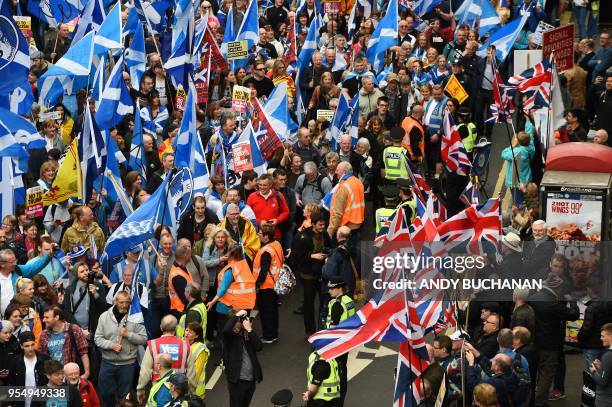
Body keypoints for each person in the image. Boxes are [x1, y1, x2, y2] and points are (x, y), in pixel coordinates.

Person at [94, 291, 147, 407]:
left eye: (127, 302)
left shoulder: (135, 317)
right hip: (107, 362)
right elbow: (97, 339)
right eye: (121, 302)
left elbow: (143, 339)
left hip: (127, 363)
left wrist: (128, 334)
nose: (124, 305)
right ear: (115, 302)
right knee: (105, 393)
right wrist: (111, 345)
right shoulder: (104, 317)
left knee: (124, 395)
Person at [137, 315, 191, 401]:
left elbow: (145, 371)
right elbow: (191, 372)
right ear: (176, 328)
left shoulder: (153, 345)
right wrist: (192, 390)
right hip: (179, 390)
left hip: (159, 389)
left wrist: (140, 389)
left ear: (161, 328)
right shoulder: (185, 345)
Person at [222, 309, 263, 407]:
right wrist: (237, 315)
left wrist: (250, 330)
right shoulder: (229, 337)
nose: (240, 323)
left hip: (250, 380)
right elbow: (226, 330)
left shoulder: (246, 333)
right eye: (238, 321)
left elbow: (259, 346)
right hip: (237, 381)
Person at [253, 224, 285, 343]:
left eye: (260, 233)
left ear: (266, 236)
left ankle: (269, 336)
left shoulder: (266, 251)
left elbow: (263, 270)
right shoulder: (276, 244)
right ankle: (273, 333)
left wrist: (257, 284)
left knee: (266, 311)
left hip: (266, 286)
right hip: (275, 283)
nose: (258, 235)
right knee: (273, 310)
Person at [38, 306, 90, 379]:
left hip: (72, 375)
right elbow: (42, 358)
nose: (43, 320)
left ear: (56, 317)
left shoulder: (74, 329)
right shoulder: (44, 335)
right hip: (53, 377)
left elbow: (83, 352)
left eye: (47, 317)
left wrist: (87, 373)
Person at [8, 331, 51, 406]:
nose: (30, 348)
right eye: (27, 346)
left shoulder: (45, 359)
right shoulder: (15, 362)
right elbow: (11, 383)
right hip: (21, 402)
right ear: (21, 346)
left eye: (32, 345)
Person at [247, 174, 290, 240]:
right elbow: (247, 216)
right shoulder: (252, 197)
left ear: (270, 185)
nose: (262, 187)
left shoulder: (278, 195)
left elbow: (286, 211)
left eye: (264, 185)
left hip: (275, 235)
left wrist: (278, 220)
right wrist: (259, 222)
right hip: (258, 236)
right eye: (260, 185)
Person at [327, 162, 365, 239]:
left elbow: (337, 213)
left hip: (344, 229)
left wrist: (330, 231)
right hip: (357, 225)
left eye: (337, 170)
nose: (335, 172)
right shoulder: (358, 182)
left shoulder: (343, 187)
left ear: (343, 171)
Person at [588, 322, 612, 407]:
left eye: (603, 336)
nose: (601, 338)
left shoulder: (608, 356)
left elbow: (602, 382)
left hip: (605, 401)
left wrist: (593, 372)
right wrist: (602, 366)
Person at [184, 322, 210, 398]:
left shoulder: (201, 349)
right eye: (187, 330)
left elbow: (196, 372)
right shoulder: (182, 344)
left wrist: (188, 388)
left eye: (191, 332)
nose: (187, 333)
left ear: (197, 335)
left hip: (195, 391)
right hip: (183, 389)